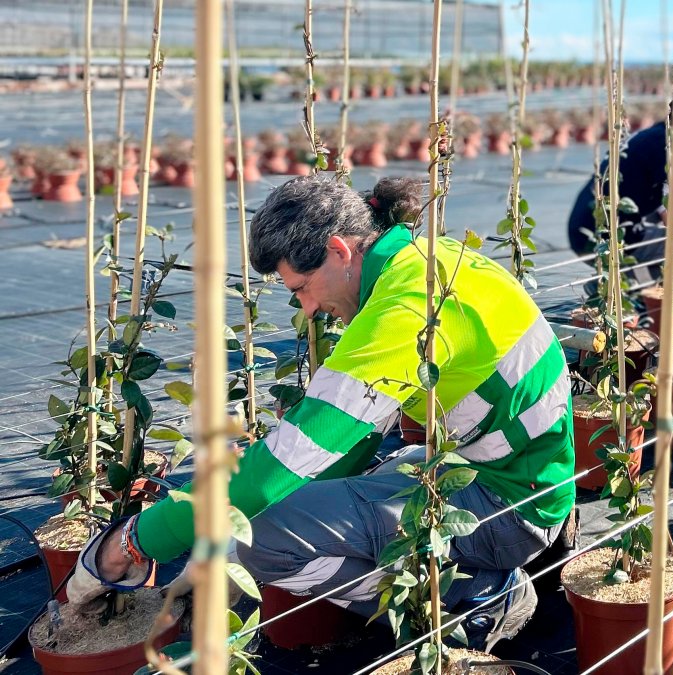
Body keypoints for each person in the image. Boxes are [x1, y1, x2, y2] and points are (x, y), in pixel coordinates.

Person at [68, 175, 575, 652]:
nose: (307, 310)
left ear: (339, 250)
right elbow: (348, 444)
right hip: (521, 481)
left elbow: (275, 473)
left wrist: (136, 540)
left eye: (301, 288)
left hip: (512, 510)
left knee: (254, 538)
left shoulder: (404, 310)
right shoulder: (427, 260)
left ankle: (469, 599)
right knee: (310, 493)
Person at [566, 95, 673, 284]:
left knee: (664, 222)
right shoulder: (670, 152)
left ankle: (622, 283)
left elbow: (665, 208)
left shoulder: (654, 136)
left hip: (584, 229)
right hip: (602, 238)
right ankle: (620, 287)